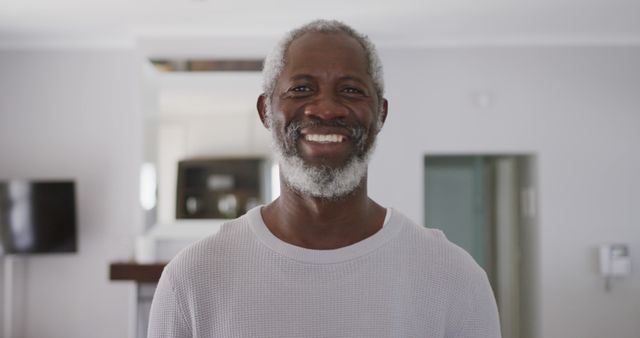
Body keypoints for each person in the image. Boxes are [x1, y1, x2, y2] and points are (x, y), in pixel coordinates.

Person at [148, 19, 501, 338]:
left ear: (380, 114)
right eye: (301, 89)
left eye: (351, 90)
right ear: (266, 111)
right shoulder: (192, 280)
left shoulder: (453, 280)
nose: (327, 108)